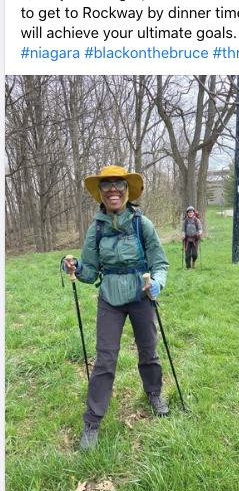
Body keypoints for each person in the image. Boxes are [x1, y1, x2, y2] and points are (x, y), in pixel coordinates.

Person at [62, 166, 169, 450]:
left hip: (141, 296)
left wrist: (157, 281)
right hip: (109, 298)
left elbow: (160, 262)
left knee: (148, 351)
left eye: (118, 185)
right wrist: (77, 267)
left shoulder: (141, 224)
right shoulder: (96, 228)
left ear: (126, 190)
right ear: (100, 192)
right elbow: (90, 272)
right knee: (105, 359)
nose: (113, 190)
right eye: (106, 185)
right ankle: (92, 423)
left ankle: (154, 393)